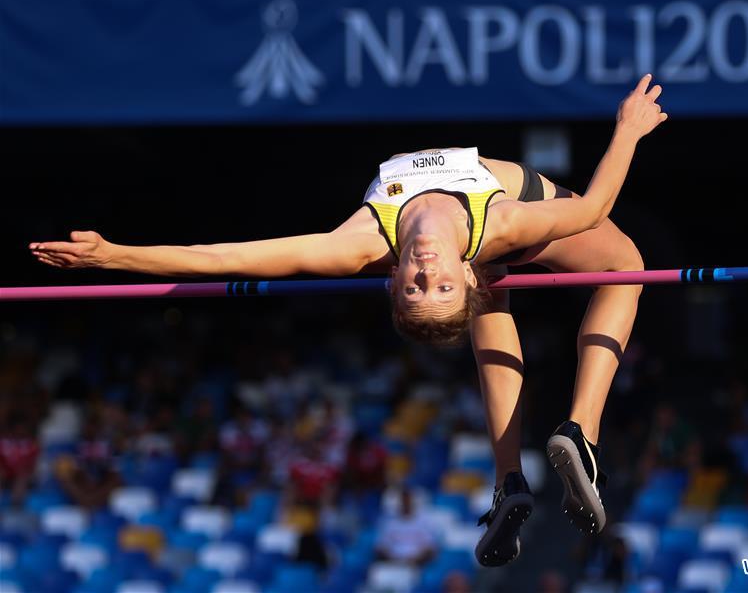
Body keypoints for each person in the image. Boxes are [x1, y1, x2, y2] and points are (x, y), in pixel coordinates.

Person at [29, 75, 667, 565]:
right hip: (507, 209)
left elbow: (221, 256)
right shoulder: (499, 225)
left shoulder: (358, 243)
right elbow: (592, 207)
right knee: (622, 265)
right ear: (462, 273)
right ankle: (571, 436)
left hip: (492, 245)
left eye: (417, 286)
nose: (424, 270)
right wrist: (629, 131)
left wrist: (114, 254)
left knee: (536, 296)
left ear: (391, 282)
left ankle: (531, 465)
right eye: (437, 283)